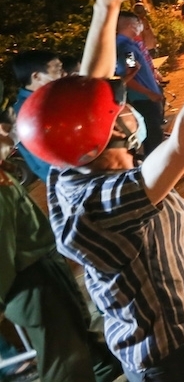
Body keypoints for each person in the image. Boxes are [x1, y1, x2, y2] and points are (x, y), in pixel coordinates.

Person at [17, 0, 184, 381]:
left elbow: (86, 96)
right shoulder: (106, 201)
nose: (125, 111)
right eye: (118, 112)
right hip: (179, 363)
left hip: (170, 353)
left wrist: (105, 10)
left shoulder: (68, 168)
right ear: (105, 135)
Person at [0, 152, 123, 382]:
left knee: (78, 340)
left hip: (41, 272)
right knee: (66, 361)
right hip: (32, 282)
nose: (5, 130)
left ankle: (107, 368)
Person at [116, 11, 165, 157]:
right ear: (132, 25)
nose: (141, 26)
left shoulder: (128, 44)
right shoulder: (127, 49)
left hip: (145, 97)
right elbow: (128, 76)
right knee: (153, 135)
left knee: (153, 133)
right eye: (139, 23)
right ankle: (155, 170)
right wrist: (149, 93)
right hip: (144, 99)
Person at [11, 50, 65, 181]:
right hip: (65, 179)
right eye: (57, 70)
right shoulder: (26, 113)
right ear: (36, 77)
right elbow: (48, 159)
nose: (64, 74)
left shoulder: (50, 98)